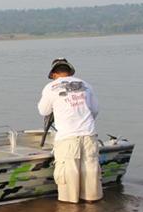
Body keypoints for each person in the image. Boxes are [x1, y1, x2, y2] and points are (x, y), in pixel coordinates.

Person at [37, 58, 102, 203]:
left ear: (54, 74)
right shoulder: (86, 85)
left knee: (69, 190)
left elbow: (43, 110)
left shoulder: (50, 87)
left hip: (67, 139)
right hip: (89, 135)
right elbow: (95, 110)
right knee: (91, 183)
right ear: (70, 71)